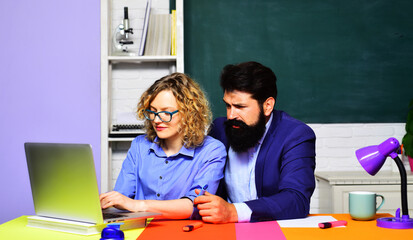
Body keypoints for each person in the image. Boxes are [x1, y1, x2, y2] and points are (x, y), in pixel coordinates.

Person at [194, 61, 316, 223]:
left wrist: (233, 211)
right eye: (228, 106)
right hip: (223, 229)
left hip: (272, 229)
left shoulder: (296, 135)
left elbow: (296, 199)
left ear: (267, 106)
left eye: (240, 106)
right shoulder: (219, 130)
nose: (231, 116)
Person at [100, 72, 226, 219]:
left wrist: (138, 205)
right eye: (153, 112)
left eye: (166, 112)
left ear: (189, 113)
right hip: (140, 229)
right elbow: (122, 195)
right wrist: (108, 201)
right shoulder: (139, 145)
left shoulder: (212, 150)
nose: (156, 120)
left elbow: (196, 205)